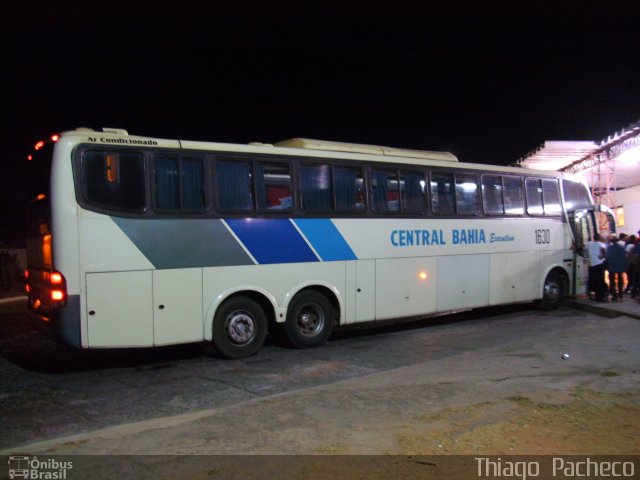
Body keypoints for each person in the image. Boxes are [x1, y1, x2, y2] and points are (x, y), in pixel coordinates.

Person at [606, 235, 627, 301]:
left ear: (612, 241)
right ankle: (620, 294)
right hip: (620, 265)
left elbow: (607, 256)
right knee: (620, 279)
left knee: (612, 280)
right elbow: (624, 256)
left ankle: (614, 295)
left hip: (612, 265)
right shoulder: (621, 247)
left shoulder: (609, 247)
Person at [586, 233, 607, 301]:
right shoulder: (601, 244)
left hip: (591, 265)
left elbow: (583, 247)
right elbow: (604, 251)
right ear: (599, 238)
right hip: (599, 264)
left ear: (593, 237)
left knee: (593, 280)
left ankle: (593, 295)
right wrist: (602, 256)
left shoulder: (589, 244)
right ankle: (600, 297)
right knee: (600, 281)